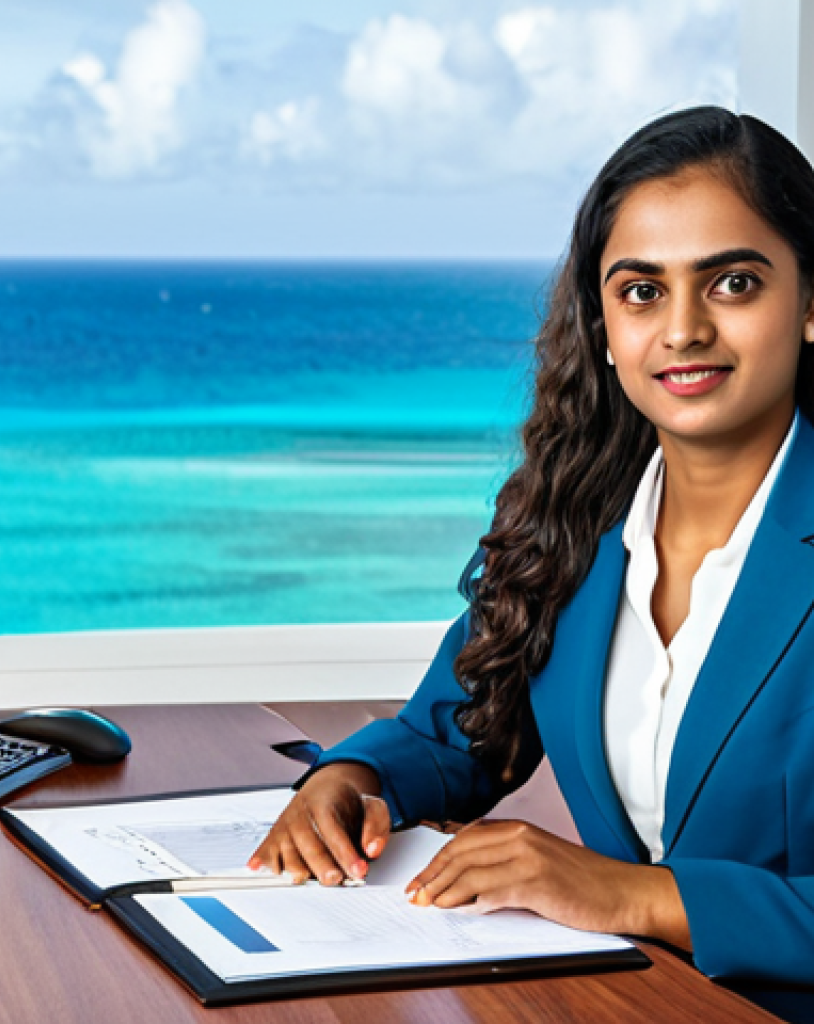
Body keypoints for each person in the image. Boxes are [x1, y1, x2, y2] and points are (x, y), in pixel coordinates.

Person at [249, 106, 814, 1023]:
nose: (681, 330)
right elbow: (456, 733)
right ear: (600, 322)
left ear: (809, 301)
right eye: (641, 291)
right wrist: (348, 782)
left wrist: (636, 896)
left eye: (734, 283)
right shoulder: (571, 525)